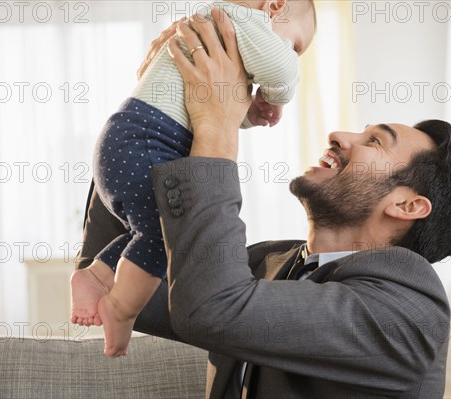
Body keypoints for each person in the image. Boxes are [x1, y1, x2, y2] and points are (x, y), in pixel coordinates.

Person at [74, 7, 451, 398]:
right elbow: (108, 275)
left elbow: (213, 309)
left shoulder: (408, 311)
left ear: (408, 206)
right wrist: (153, 110)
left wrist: (217, 128)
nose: (340, 136)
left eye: (374, 142)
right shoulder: (271, 263)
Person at [70, 0, 317, 357]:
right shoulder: (242, 20)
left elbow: (218, 107)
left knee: (148, 229)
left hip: (132, 137)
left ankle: (97, 274)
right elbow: (281, 71)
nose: (293, 54)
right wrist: (276, 95)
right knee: (168, 231)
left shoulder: (218, 34)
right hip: (146, 138)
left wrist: (251, 112)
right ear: (275, 7)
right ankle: (120, 308)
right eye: (296, 45)